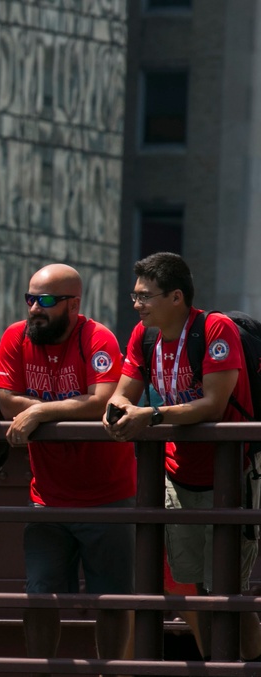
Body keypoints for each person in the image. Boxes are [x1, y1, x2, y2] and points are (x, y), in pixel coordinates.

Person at [104, 251, 261, 660]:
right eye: (134, 296)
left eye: (144, 296)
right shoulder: (145, 335)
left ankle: (248, 664)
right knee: (193, 586)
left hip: (230, 474)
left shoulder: (214, 329)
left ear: (176, 297)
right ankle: (218, 665)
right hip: (179, 474)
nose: (136, 304)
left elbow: (213, 404)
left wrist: (150, 414)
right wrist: (117, 410)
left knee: (226, 587)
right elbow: (125, 390)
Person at [0, 264, 135, 670]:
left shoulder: (97, 338)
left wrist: (39, 412)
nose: (35, 307)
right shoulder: (16, 337)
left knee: (112, 601)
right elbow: (4, 399)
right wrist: (57, 410)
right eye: (31, 298)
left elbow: (102, 400)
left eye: (47, 300)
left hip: (109, 495)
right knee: (39, 596)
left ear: (74, 304)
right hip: (48, 497)